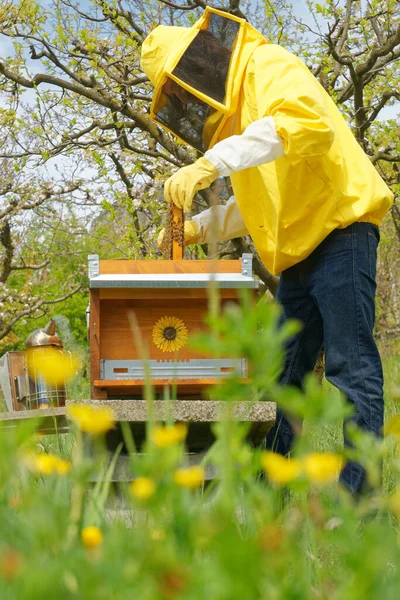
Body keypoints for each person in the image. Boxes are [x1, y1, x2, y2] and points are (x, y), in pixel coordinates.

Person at [140, 7, 394, 496]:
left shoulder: (268, 64)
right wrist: (196, 228)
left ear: (201, 59)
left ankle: (358, 500)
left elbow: (307, 126)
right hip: (299, 256)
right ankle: (267, 494)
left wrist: (209, 164)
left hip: (342, 231)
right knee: (283, 375)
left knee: (350, 366)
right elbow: (259, 205)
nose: (186, 95)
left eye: (180, 84)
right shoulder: (244, 128)